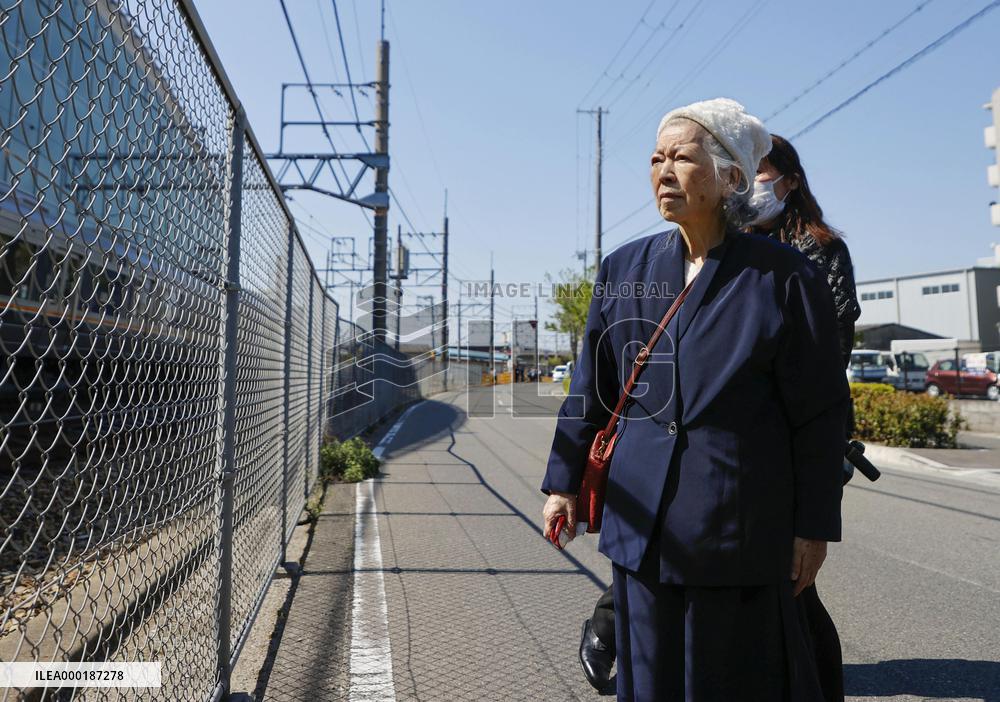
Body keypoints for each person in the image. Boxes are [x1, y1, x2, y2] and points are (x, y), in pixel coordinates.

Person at [542, 98, 848, 701]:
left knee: (730, 681)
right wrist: (563, 482)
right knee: (649, 682)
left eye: (682, 157)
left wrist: (812, 527)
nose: (663, 169)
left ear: (731, 175)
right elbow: (591, 388)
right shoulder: (625, 268)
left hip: (738, 526)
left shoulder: (784, 277)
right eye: (656, 158)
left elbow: (819, 414)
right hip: (641, 522)